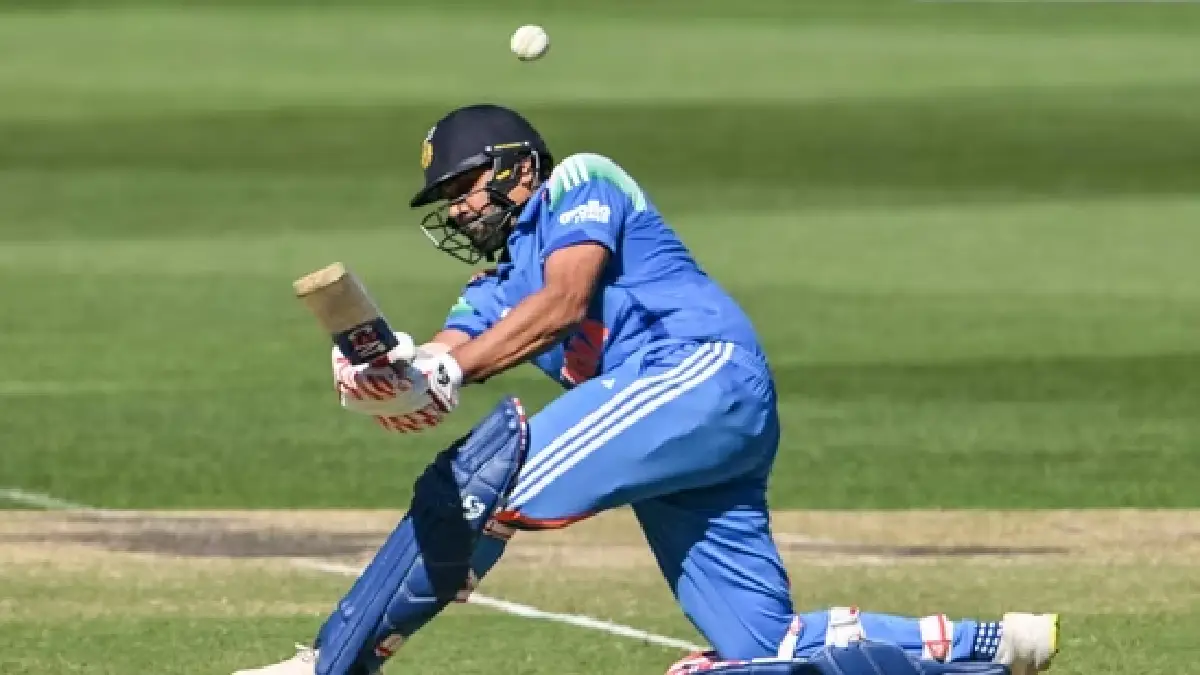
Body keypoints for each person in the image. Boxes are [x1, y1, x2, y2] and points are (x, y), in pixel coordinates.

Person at [234, 104, 1059, 675]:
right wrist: (387, 375)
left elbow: (563, 304)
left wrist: (451, 370)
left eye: (464, 187)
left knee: (486, 480)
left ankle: (330, 660)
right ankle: (993, 646)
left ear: (518, 167)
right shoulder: (491, 287)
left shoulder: (581, 182)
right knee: (762, 650)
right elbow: (446, 361)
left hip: (695, 373)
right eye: (447, 199)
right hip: (684, 435)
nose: (457, 210)